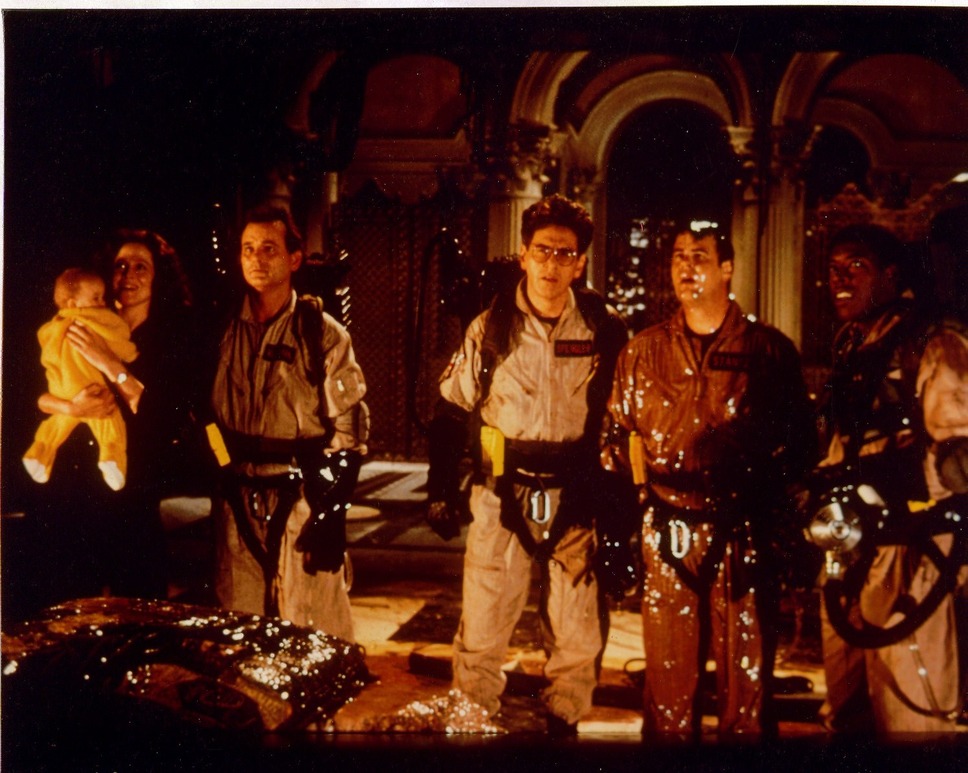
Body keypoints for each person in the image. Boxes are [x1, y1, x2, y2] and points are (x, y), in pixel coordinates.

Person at [602, 220, 815, 741]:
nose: (686, 267)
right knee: (668, 673)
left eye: (699, 256)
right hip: (667, 524)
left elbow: (801, 448)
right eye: (679, 256)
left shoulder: (768, 353)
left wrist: (781, 522)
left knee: (747, 671)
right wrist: (625, 517)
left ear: (727, 268)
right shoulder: (643, 352)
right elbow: (616, 439)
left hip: (743, 529)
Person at [426, 194, 629, 735]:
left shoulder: (602, 328)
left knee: (577, 625)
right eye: (542, 251)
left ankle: (565, 717)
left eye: (565, 254)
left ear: (580, 263)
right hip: (502, 489)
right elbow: (451, 410)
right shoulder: (490, 327)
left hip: (574, 491)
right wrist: (440, 489)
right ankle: (473, 715)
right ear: (523, 254)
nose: (551, 264)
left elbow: (620, 418)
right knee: (485, 616)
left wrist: (614, 504)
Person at [816, 223, 965, 734]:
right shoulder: (855, 347)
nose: (840, 279)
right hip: (851, 548)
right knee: (848, 708)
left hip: (912, 551)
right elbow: (844, 445)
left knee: (909, 709)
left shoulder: (931, 342)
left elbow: (957, 457)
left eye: (856, 266)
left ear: (892, 276)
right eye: (834, 269)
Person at [209, 204, 368, 642]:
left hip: (301, 496)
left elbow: (349, 432)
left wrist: (331, 512)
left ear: (294, 259)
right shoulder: (222, 330)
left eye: (269, 249)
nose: (256, 259)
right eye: (248, 249)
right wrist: (222, 467)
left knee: (311, 623)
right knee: (239, 623)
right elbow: (205, 420)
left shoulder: (323, 334)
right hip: (236, 497)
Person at [28, 228, 199, 604]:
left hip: (132, 497)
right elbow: (36, 396)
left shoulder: (173, 338)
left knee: (136, 611)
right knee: (71, 609)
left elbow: (162, 417)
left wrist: (109, 363)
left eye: (141, 267)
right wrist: (72, 408)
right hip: (73, 492)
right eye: (121, 265)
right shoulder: (77, 321)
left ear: (159, 277)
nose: (128, 275)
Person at [23, 267, 139, 491]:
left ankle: (39, 455)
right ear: (73, 304)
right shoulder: (94, 320)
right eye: (96, 298)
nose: (102, 303)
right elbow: (117, 338)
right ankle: (111, 459)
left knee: (56, 425)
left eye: (102, 297)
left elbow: (46, 350)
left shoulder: (53, 326)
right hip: (89, 388)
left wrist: (68, 406)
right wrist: (130, 352)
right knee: (110, 421)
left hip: (60, 388)